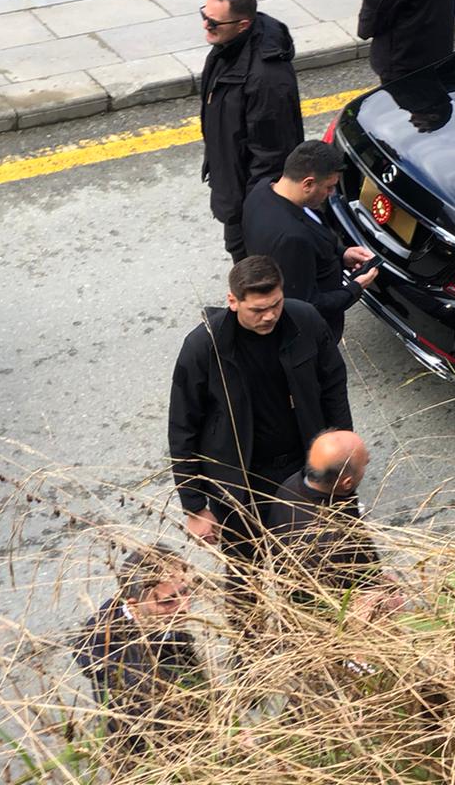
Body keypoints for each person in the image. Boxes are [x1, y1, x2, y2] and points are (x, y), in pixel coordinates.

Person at [168, 257, 352, 567]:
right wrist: (195, 506)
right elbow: (183, 427)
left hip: (305, 468)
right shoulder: (203, 347)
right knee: (245, 578)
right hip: (241, 483)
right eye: (257, 310)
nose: (269, 316)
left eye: (276, 305)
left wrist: (343, 455)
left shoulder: (305, 320)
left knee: (325, 562)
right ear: (233, 301)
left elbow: (334, 388)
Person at [199, 0, 304, 262]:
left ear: (243, 24)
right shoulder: (229, 45)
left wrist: (253, 212)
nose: (206, 26)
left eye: (214, 22)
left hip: (247, 200)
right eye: (204, 16)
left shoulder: (266, 79)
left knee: (250, 263)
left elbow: (271, 156)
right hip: (230, 182)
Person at [241, 140, 379, 340]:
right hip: (313, 335)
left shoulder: (262, 189)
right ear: (307, 184)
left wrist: (342, 254)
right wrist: (355, 288)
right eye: (329, 187)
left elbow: (313, 233)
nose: (331, 194)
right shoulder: (291, 239)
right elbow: (307, 304)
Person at [73, 546, 202, 752]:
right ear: (133, 605)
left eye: (185, 591)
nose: (184, 608)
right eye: (168, 601)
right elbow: (174, 741)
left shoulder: (122, 612)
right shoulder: (137, 675)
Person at [265, 430, 393, 609]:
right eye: (366, 463)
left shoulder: (291, 485)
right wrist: (383, 594)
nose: (369, 459)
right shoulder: (333, 539)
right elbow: (361, 606)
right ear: (346, 483)